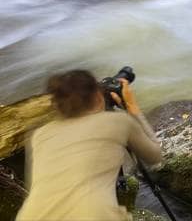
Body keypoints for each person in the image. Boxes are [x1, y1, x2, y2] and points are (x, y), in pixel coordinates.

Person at [16, 70, 162, 221]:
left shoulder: (40, 134)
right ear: (99, 97)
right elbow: (155, 156)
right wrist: (132, 107)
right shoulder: (118, 122)